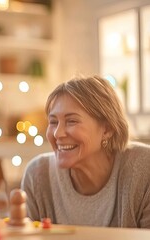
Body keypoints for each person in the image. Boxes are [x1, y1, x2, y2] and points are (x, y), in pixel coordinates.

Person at [21, 75, 150, 228]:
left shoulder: (144, 168)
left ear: (107, 129)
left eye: (72, 121)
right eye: (53, 122)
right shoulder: (38, 175)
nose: (57, 133)